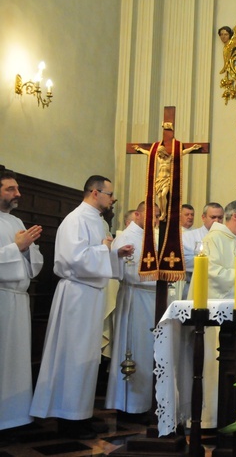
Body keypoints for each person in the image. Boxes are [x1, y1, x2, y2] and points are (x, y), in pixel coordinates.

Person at [30, 176, 134, 439]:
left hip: (91, 294)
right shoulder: (75, 219)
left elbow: (97, 254)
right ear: (95, 192)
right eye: (110, 195)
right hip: (76, 294)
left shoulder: (97, 221)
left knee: (88, 358)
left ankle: (81, 414)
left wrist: (114, 254)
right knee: (73, 356)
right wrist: (105, 250)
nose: (112, 200)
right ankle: (68, 420)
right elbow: (71, 259)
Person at [187, 200, 236, 428]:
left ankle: (234, 416)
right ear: (234, 216)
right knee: (215, 366)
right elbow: (210, 272)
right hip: (217, 321)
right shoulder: (214, 239)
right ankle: (211, 419)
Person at [105, 201, 160, 419]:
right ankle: (129, 406)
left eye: (158, 217)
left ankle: (144, 403)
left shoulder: (150, 238)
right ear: (138, 214)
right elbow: (127, 273)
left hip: (151, 299)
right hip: (135, 297)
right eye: (153, 216)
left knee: (148, 352)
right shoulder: (127, 238)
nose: (156, 221)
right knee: (135, 350)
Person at [0, 171, 43, 436]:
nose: (18, 194)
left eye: (17, 189)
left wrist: (26, 248)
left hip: (17, 300)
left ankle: (14, 416)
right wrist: (16, 247)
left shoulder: (16, 219)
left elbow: (34, 263)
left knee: (16, 359)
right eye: (10, 189)